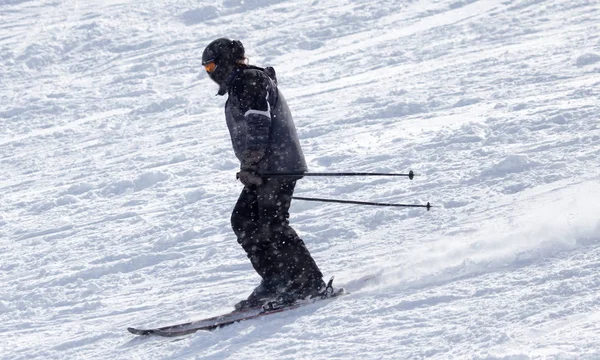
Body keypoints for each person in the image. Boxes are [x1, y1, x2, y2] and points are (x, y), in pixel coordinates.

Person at [201, 38, 327, 310]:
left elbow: (259, 121)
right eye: (206, 68)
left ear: (224, 61)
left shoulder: (248, 80)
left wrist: (250, 163)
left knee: (273, 224)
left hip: (278, 165)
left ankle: (309, 284)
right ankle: (277, 279)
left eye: (211, 65)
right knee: (244, 220)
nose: (209, 72)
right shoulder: (240, 84)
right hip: (267, 166)